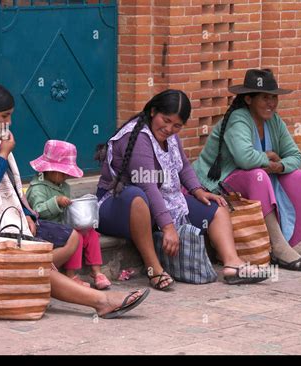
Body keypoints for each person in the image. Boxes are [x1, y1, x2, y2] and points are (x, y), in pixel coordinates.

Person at [0, 83, 148, 318]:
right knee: (28, 260)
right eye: (5, 116)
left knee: (71, 238)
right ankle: (101, 301)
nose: (9, 122)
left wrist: (26, 214)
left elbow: (9, 188)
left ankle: (21, 273)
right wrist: (3, 153)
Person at [95, 89, 269, 289]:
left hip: (157, 203)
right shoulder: (138, 138)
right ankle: (154, 269)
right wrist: (168, 227)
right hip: (117, 206)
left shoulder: (170, 136)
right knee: (137, 197)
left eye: (177, 125)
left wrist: (197, 190)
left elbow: (184, 166)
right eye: (166, 120)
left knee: (217, 208)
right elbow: (148, 186)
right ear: (153, 112)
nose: (169, 128)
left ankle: (232, 264)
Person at [193, 69, 301, 271]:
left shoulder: (274, 121)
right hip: (218, 184)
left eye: (274, 98)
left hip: (251, 179)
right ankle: (278, 246)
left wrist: (279, 165)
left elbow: (296, 157)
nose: (271, 103)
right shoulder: (238, 119)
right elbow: (245, 159)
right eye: (265, 98)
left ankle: (283, 240)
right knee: (258, 175)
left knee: (295, 176)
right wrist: (268, 158)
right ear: (248, 99)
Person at [27, 140, 111, 290]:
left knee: (91, 233)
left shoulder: (63, 186)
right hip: (46, 231)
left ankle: (97, 272)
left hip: (63, 225)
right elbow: (37, 212)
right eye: (63, 173)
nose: (66, 176)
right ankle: (71, 274)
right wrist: (56, 202)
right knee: (75, 237)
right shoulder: (37, 188)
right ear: (50, 170)